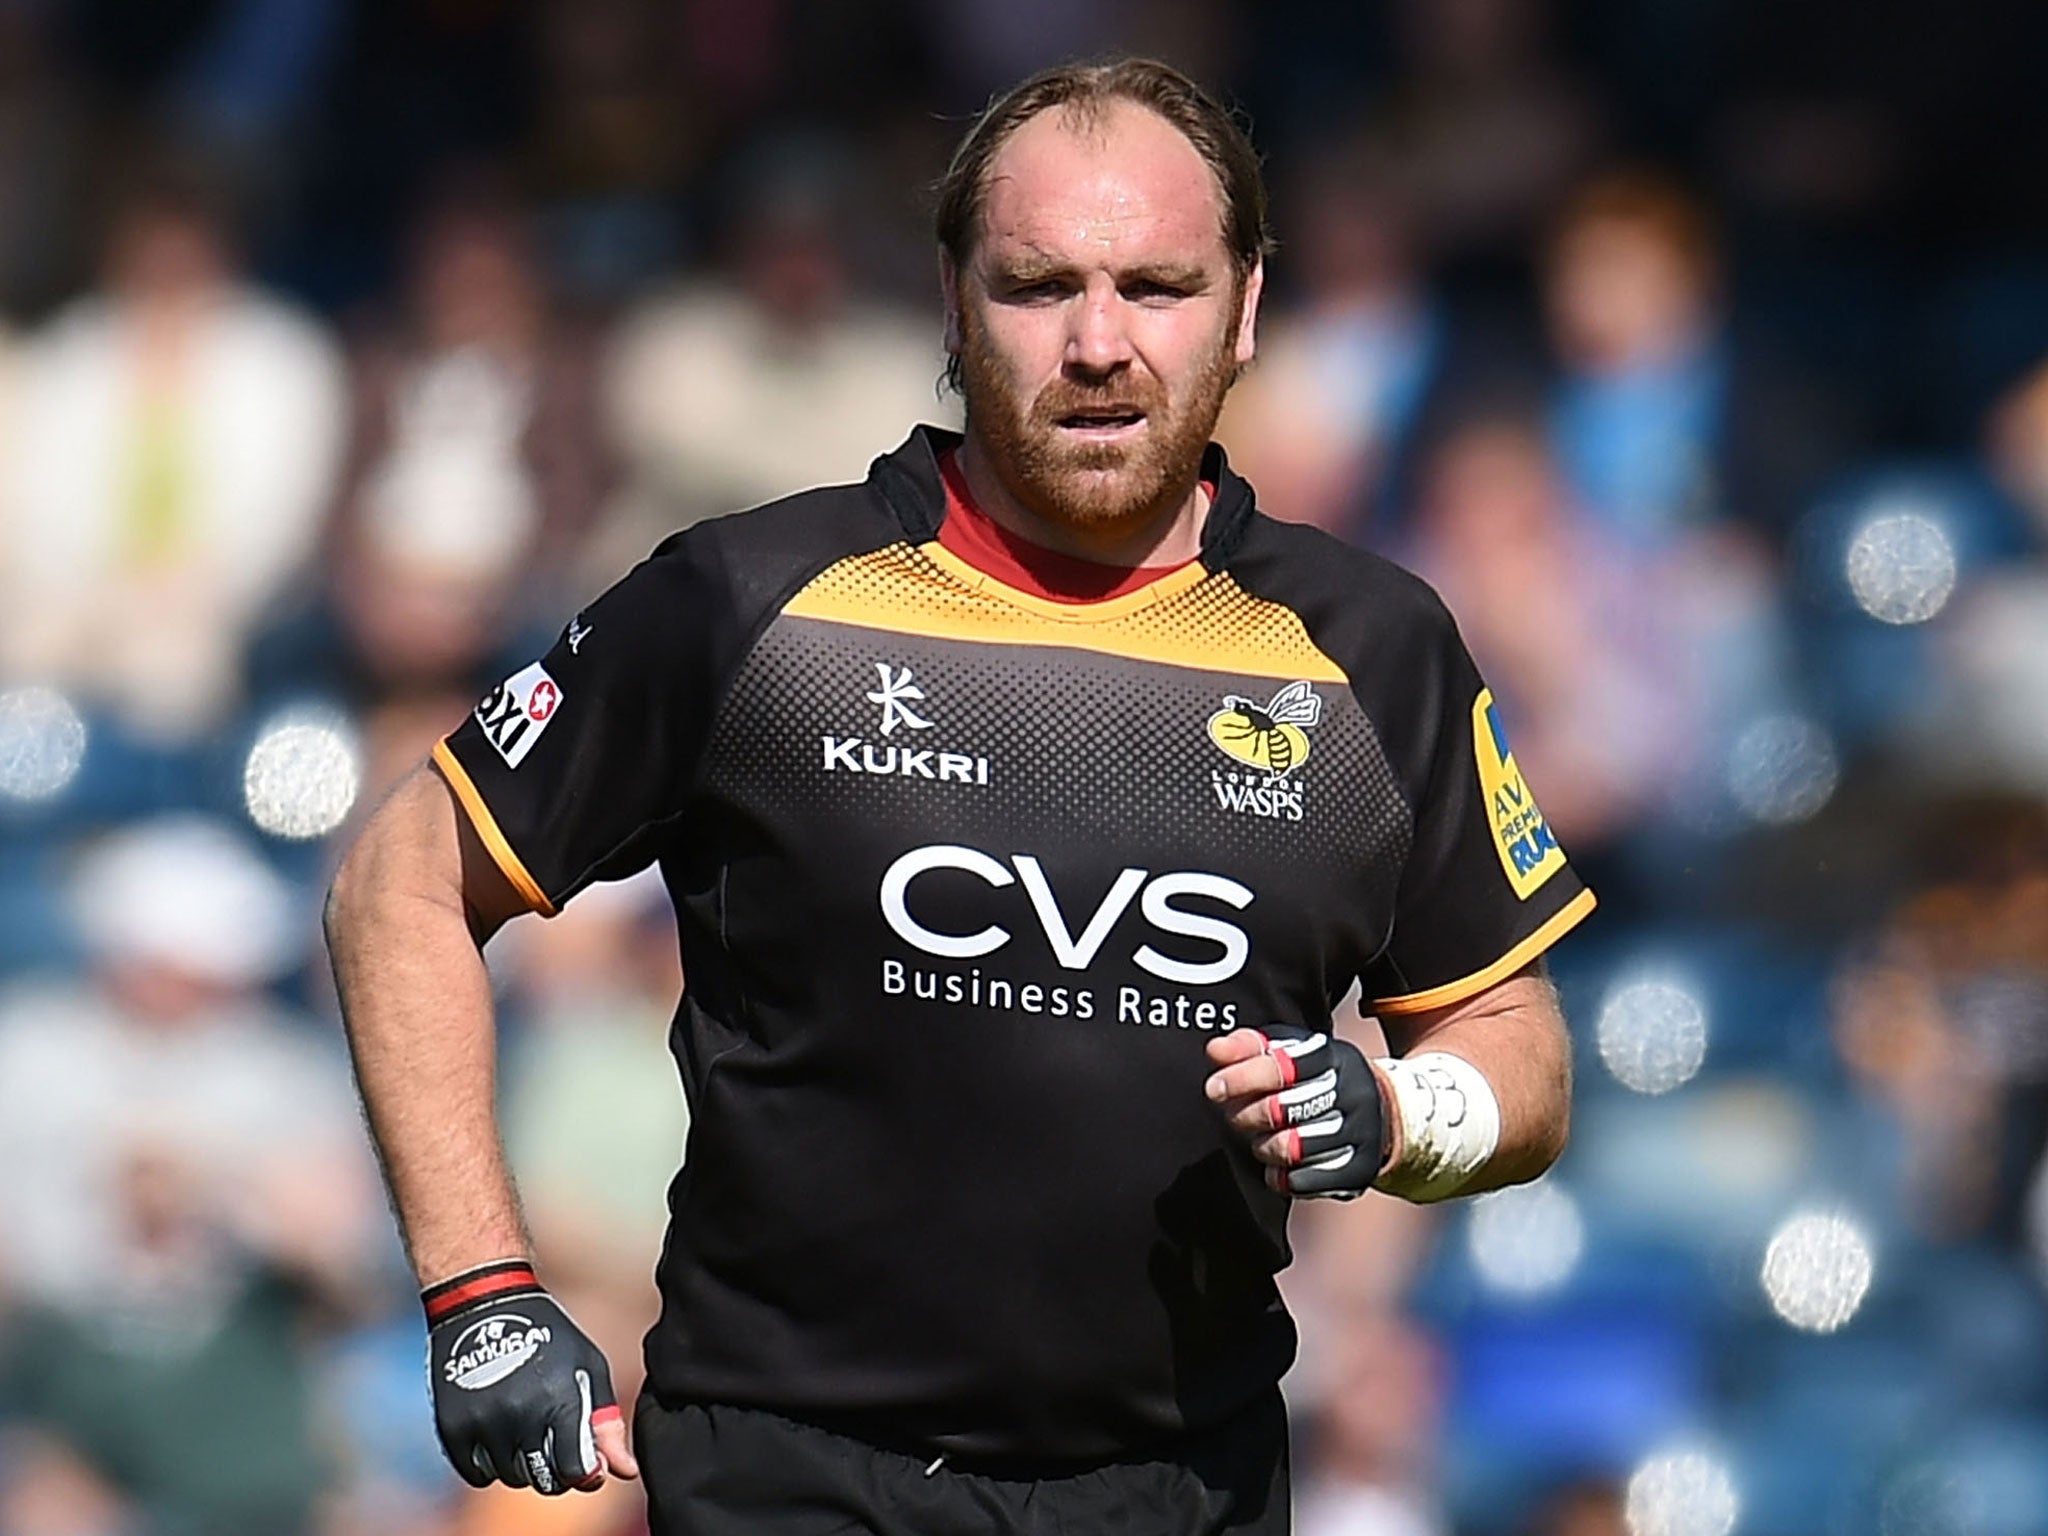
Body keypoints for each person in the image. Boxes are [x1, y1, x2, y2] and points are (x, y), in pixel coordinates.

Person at [326, 58, 1593, 1535]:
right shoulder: (745, 602)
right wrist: (481, 1291)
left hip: (1185, 1488)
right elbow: (398, 882)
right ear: (951, 300)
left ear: (1247, 308)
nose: (1102, 341)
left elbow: (1519, 1052)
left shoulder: (1375, 651)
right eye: (1041, 284)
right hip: (791, 1473)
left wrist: (1395, 1109)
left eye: (1159, 286)